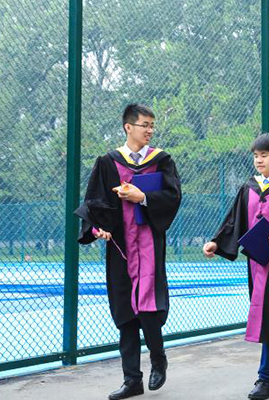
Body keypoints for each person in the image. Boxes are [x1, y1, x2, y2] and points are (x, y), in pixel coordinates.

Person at [75, 104, 182, 400]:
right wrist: (98, 229)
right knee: (125, 312)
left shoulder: (161, 160)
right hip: (121, 246)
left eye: (152, 125)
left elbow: (173, 196)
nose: (149, 130)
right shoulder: (108, 162)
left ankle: (158, 359)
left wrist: (142, 196)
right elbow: (94, 202)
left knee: (148, 306)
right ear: (128, 127)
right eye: (144, 125)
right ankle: (132, 379)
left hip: (148, 244)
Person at [203, 133, 269, 400]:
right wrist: (216, 242)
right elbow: (234, 220)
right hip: (257, 264)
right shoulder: (249, 187)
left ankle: (265, 379)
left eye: (264, 155)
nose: (259, 160)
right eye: (256, 156)